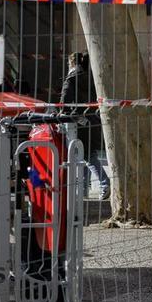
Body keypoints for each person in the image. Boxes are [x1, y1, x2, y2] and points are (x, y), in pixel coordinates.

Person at [60, 51, 108, 199]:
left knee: (87, 156)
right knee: (85, 155)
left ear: (72, 64)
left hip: (78, 123)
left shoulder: (71, 80)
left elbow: (64, 104)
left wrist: (64, 113)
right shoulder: (92, 78)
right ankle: (83, 190)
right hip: (93, 120)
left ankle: (104, 184)